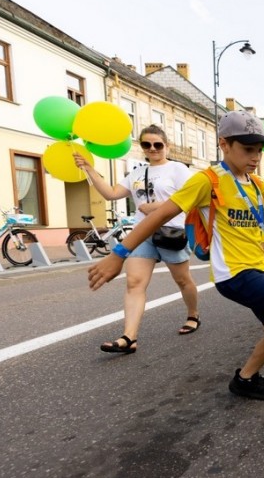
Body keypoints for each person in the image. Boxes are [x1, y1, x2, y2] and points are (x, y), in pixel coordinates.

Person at [87, 111, 264, 426]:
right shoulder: (208, 180)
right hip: (233, 273)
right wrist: (119, 253)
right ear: (224, 144)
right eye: (247, 149)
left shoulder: (258, 185)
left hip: (258, 268)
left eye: (258, 150)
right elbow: (160, 214)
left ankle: (245, 379)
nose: (254, 156)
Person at [73, 125, 199, 354]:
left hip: (171, 231)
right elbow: (111, 194)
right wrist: (89, 169)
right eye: (146, 145)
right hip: (142, 234)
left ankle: (193, 314)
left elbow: (190, 199)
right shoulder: (137, 173)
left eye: (157, 144)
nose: (152, 149)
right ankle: (129, 337)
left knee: (182, 280)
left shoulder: (177, 169)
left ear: (167, 146)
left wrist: (155, 207)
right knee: (134, 282)